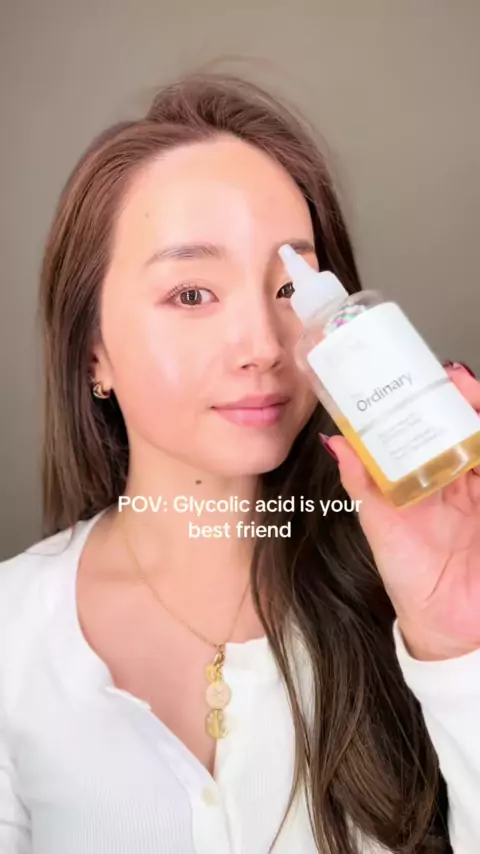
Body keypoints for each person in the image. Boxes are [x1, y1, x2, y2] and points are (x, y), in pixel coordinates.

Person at [0, 72, 479, 854]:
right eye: (192, 294)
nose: (263, 346)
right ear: (92, 351)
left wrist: (458, 648)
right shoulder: (12, 631)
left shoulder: (424, 592)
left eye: (291, 288)